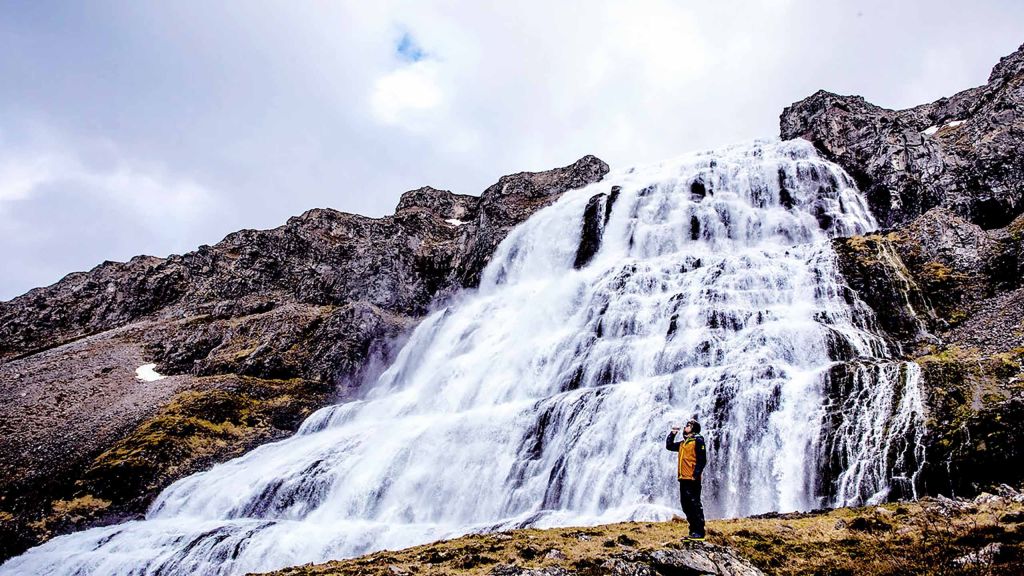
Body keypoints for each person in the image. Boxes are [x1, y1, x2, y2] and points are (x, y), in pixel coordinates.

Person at [666, 419, 707, 541]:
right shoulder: (683, 443)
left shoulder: (698, 440)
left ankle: (699, 532)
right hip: (683, 478)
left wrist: (696, 475)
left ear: (694, 428)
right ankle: (693, 531)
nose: (685, 427)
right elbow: (669, 446)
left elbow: (702, 460)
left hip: (692, 479)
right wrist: (672, 433)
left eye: (688, 425)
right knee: (686, 505)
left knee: (695, 504)